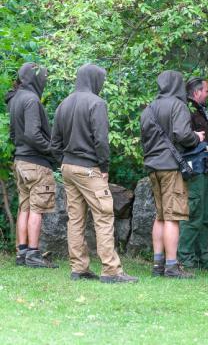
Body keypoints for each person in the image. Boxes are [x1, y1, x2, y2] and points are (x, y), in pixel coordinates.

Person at [51, 63, 137, 283]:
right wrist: (104, 168)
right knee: (104, 216)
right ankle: (111, 270)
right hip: (89, 169)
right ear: (94, 80)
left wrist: (64, 162)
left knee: (75, 219)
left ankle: (79, 268)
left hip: (68, 168)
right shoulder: (97, 103)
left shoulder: (64, 104)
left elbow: (54, 143)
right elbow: (101, 140)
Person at [140, 70, 204, 279]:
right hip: (170, 166)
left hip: (152, 165)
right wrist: (197, 136)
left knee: (160, 215)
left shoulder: (149, 108)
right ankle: (171, 266)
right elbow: (182, 135)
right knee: (172, 217)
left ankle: (158, 263)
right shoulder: (178, 106)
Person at [6, 62, 57, 268]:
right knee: (37, 208)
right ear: (35, 78)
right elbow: (33, 134)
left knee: (24, 207)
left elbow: (13, 134)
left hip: (20, 161)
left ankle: (22, 253)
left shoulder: (16, 99)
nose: (44, 80)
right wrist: (52, 150)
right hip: (35, 163)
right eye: (43, 76)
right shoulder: (32, 99)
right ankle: (34, 255)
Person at [177, 77, 208, 269]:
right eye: (206, 91)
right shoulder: (186, 110)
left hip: (205, 168)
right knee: (193, 214)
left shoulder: (201, 110)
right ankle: (185, 258)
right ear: (196, 92)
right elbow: (182, 138)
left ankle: (203, 258)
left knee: (206, 216)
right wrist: (196, 139)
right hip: (193, 169)